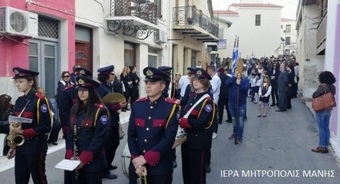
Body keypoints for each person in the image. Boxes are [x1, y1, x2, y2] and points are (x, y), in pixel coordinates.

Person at [128, 67, 179, 184]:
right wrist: (136, 160)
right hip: (137, 166)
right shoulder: (137, 105)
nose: (148, 86)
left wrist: (145, 159)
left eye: (153, 83)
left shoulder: (171, 108)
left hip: (160, 168)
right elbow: (131, 136)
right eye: (146, 82)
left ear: (162, 86)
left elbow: (168, 139)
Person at [7, 67, 52, 184]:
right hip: (21, 147)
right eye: (16, 82)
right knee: (20, 179)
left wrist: (22, 132)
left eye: (21, 82)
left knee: (39, 178)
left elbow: (46, 127)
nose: (17, 84)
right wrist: (13, 146)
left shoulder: (40, 100)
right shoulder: (19, 101)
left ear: (31, 82)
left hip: (36, 146)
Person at [65, 76, 110, 184]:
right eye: (79, 90)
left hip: (92, 159)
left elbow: (99, 138)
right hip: (74, 158)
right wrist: (70, 153)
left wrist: (83, 159)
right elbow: (70, 133)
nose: (81, 93)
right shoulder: (75, 108)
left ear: (92, 92)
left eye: (85, 90)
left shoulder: (100, 111)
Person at [179, 68, 216, 184]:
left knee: (197, 174)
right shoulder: (192, 96)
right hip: (187, 140)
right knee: (187, 171)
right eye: (194, 79)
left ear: (205, 82)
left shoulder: (208, 101)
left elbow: (201, 123)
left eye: (199, 80)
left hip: (198, 142)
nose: (195, 82)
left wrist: (184, 122)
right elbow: (185, 112)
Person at [97, 65, 126, 179]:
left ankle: (108, 164)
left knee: (115, 143)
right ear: (106, 76)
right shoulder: (100, 88)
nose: (113, 75)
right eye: (111, 74)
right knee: (107, 145)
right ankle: (104, 170)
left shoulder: (109, 87)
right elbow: (102, 106)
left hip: (113, 120)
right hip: (107, 121)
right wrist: (117, 106)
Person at [58, 67, 92, 139]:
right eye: (79, 78)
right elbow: (64, 113)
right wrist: (68, 129)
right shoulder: (67, 92)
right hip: (74, 126)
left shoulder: (92, 91)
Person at [311, 71, 336, 154]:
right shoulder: (332, 87)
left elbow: (315, 95)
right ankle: (326, 146)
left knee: (321, 128)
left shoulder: (322, 86)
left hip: (321, 108)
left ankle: (321, 146)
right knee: (326, 128)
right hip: (328, 108)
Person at [226, 70, 250, 144]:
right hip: (231, 102)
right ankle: (235, 132)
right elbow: (226, 83)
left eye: (239, 71)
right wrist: (234, 78)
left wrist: (240, 84)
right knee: (234, 119)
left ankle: (239, 136)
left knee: (240, 120)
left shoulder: (245, 80)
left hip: (241, 103)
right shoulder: (232, 79)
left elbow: (246, 89)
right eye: (236, 71)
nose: (238, 73)